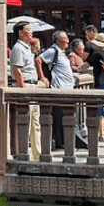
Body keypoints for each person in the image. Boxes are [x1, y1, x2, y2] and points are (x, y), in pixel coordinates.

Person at [9, 21, 41, 159]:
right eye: (29, 30)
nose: (32, 32)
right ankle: (23, 154)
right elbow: (17, 70)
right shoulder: (18, 48)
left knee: (35, 123)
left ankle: (37, 155)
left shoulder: (27, 48)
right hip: (26, 86)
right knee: (25, 123)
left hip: (33, 86)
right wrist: (22, 89)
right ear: (20, 33)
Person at [37, 30, 74, 148]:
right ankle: (59, 142)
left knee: (65, 117)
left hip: (67, 88)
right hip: (59, 88)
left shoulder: (62, 52)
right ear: (59, 40)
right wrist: (42, 77)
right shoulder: (53, 50)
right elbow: (38, 60)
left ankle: (63, 141)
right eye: (65, 38)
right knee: (59, 117)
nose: (68, 40)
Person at [86, 32, 104, 142]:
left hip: (101, 83)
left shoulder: (97, 55)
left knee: (100, 111)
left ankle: (101, 134)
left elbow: (83, 67)